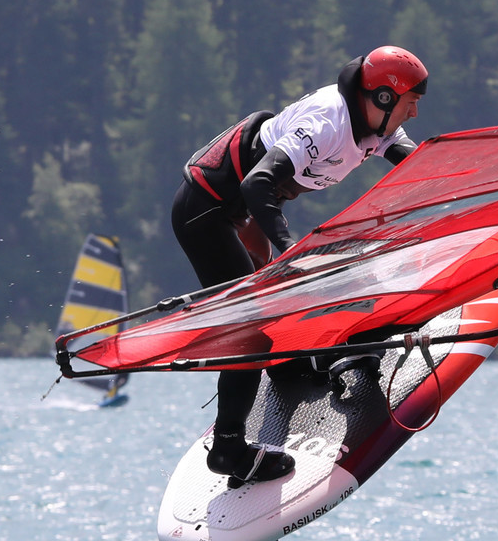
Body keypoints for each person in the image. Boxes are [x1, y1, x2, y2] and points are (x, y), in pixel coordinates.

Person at [170, 46, 429, 485]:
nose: (415, 114)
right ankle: (228, 450)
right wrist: (290, 251)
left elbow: (420, 166)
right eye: (410, 103)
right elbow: (259, 182)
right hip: (207, 213)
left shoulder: (375, 122)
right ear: (383, 98)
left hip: (241, 213)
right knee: (250, 327)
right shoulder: (328, 122)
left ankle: (286, 366)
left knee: (275, 307)